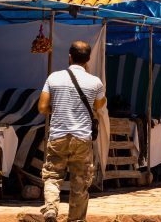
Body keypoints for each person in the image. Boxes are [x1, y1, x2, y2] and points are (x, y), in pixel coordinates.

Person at [38, 41, 106, 222]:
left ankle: (51, 209)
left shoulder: (53, 78)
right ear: (88, 59)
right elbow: (99, 105)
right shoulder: (95, 82)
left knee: (52, 176)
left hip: (58, 136)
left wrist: (57, 109)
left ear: (69, 57)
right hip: (82, 138)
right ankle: (75, 219)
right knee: (80, 182)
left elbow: (42, 107)